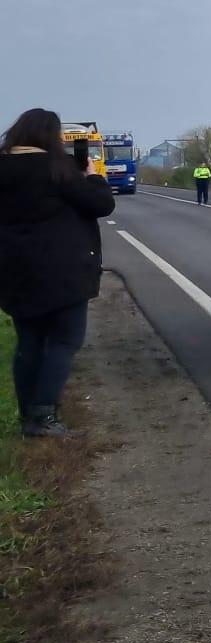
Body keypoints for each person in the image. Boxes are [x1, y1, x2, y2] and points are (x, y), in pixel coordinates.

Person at [0, 109, 116, 437]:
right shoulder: (55, 168)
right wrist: (92, 175)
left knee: (29, 343)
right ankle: (43, 415)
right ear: (49, 136)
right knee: (64, 341)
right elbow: (101, 204)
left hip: (13, 272)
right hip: (62, 272)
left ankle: (28, 416)